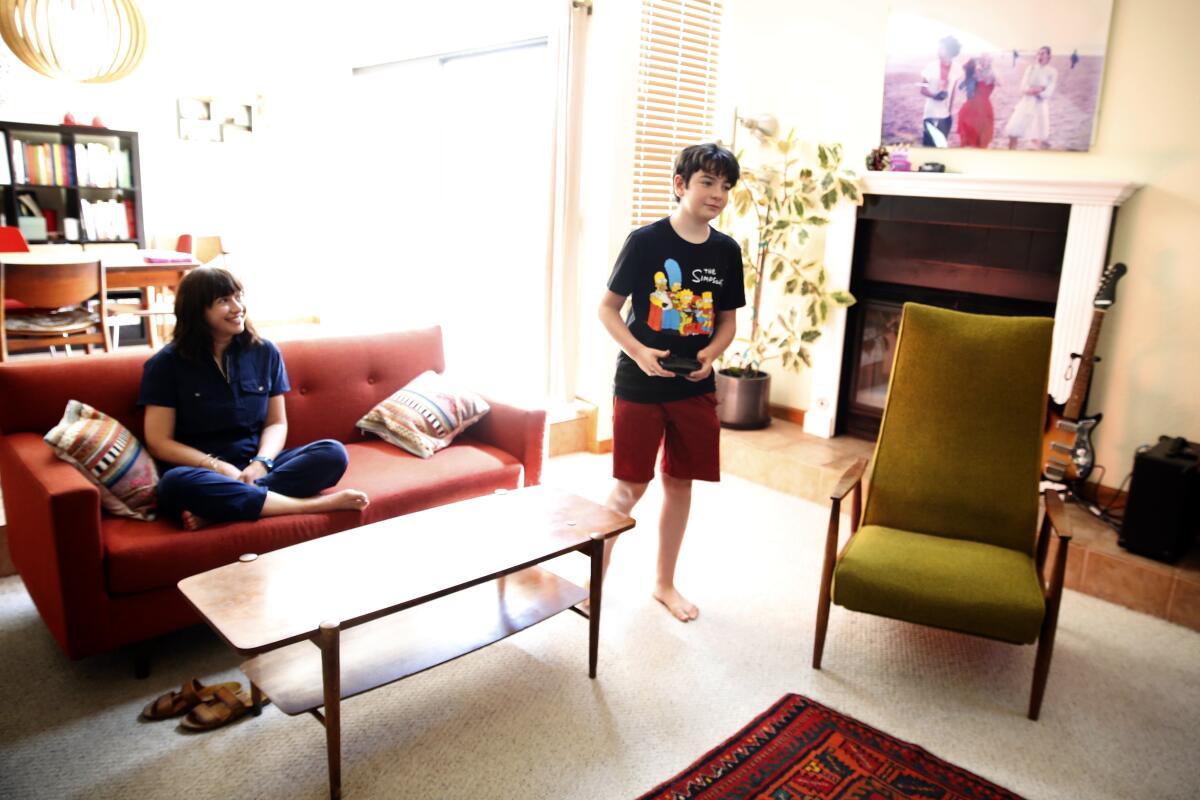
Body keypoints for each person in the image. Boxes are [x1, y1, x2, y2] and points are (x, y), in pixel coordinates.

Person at [597, 142, 745, 622]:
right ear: (680, 185)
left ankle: (664, 583)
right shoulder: (645, 242)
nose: (717, 193)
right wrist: (639, 352)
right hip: (640, 384)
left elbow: (727, 322)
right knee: (628, 488)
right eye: (707, 182)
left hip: (694, 385)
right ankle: (593, 582)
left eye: (725, 186)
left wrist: (710, 356)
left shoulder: (727, 252)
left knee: (680, 483)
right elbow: (608, 309)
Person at [140, 266, 369, 530]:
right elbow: (159, 442)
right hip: (204, 472)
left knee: (332, 453)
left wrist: (261, 462)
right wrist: (217, 467)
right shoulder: (166, 365)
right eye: (224, 301)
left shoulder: (264, 352)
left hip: (256, 464)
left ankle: (221, 510)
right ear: (197, 311)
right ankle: (309, 505)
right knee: (174, 484)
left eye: (239, 296)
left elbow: (276, 423)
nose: (237, 307)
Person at [1004, 46, 1058, 150]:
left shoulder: (1052, 72)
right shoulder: (1030, 68)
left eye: (1042, 53)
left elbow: (1048, 92)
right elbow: (1023, 87)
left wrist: (1036, 91)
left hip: (1040, 107)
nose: (1039, 56)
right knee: (1013, 132)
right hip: (1026, 103)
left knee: (1036, 136)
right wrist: (1037, 89)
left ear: (1048, 56)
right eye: (1038, 53)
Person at [919, 35, 963, 147]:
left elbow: (953, 91)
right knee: (929, 146)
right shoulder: (930, 67)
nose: (938, 51)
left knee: (941, 146)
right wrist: (934, 95)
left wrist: (950, 112)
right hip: (931, 113)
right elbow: (923, 89)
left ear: (950, 51)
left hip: (946, 116)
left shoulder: (956, 69)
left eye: (941, 48)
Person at [957, 54, 997, 148]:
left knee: (982, 134)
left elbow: (998, 83)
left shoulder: (992, 74)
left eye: (987, 60)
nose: (984, 62)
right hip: (972, 105)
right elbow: (961, 86)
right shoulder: (974, 74)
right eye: (982, 60)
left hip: (984, 107)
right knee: (969, 131)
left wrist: (986, 75)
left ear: (990, 62)